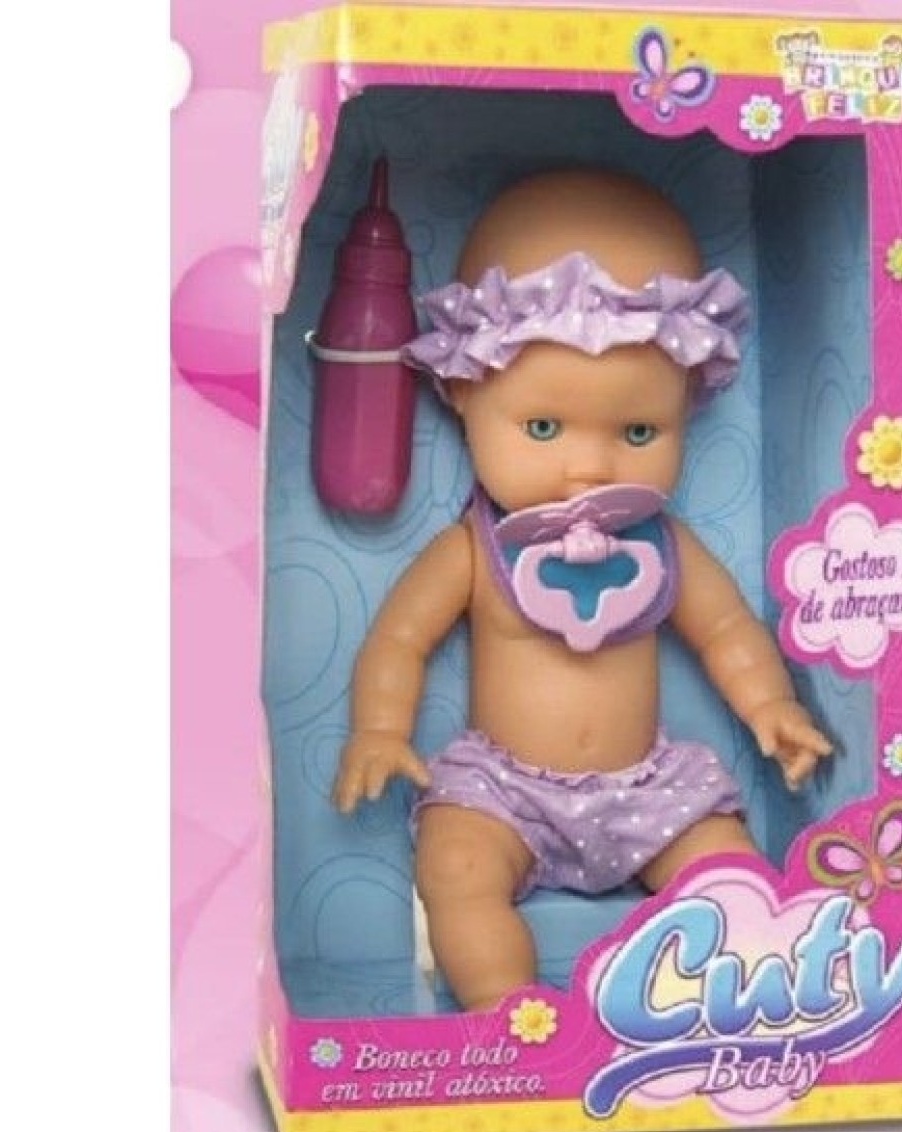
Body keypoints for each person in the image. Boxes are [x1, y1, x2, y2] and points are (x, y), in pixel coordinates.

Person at [332, 169, 831, 1011]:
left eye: (637, 430)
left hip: (648, 790)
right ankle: (510, 1017)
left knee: (731, 873)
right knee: (456, 866)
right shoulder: (474, 549)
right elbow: (400, 638)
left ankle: (732, 1004)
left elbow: (726, 631)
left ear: (686, 404)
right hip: (505, 795)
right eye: (542, 427)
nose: (591, 465)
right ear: (463, 390)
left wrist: (771, 705)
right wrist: (379, 730)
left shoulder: (662, 547)